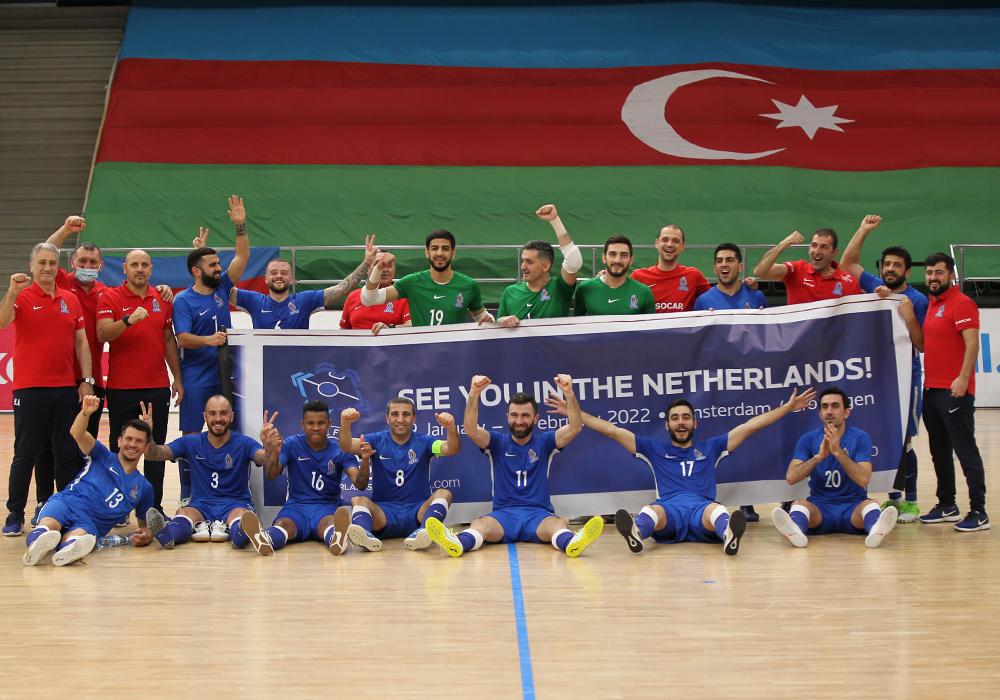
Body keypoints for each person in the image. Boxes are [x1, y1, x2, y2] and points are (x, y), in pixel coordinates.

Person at [551, 386, 814, 555]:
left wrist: (788, 407)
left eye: (686, 417)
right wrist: (574, 412)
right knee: (651, 511)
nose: (681, 422)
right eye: (675, 418)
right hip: (670, 510)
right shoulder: (654, 449)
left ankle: (729, 536)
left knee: (717, 511)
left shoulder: (711, 448)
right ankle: (636, 534)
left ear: (694, 423)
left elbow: (750, 427)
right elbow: (612, 430)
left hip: (701, 509)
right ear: (667, 425)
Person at [425, 374, 604, 558]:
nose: (519, 421)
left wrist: (569, 393)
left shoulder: (545, 442)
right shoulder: (496, 442)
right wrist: (474, 393)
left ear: (536, 418)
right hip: (503, 516)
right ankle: (458, 543)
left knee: (557, 524)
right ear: (507, 417)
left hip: (538, 515)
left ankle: (572, 543)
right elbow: (470, 430)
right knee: (480, 524)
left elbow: (575, 427)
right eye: (514, 415)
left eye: (525, 415)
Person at [1, 243, 94, 536]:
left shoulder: (70, 299)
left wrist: (86, 380)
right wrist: (11, 292)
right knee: (25, 454)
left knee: (66, 454)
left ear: (58, 267)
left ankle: (64, 511)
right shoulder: (22, 296)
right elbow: (2, 322)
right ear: (31, 266)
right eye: (42, 262)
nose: (47, 268)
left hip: (64, 388)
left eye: (52, 263)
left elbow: (81, 342)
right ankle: (15, 514)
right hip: (29, 389)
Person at [839, 215, 928, 522]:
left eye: (897, 265)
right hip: (876, 377)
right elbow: (848, 263)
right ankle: (894, 498)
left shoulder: (916, 299)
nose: (890, 269)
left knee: (904, 441)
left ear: (907, 271)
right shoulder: (875, 287)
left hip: (906, 378)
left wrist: (908, 315)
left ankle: (912, 501)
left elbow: (921, 345)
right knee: (884, 437)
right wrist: (863, 229)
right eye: (887, 264)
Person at [172, 195, 251, 502]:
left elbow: (242, 257)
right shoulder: (183, 300)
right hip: (196, 377)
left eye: (219, 263)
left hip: (224, 374)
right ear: (197, 270)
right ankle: (187, 494)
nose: (219, 268)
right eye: (213, 264)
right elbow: (182, 338)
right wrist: (209, 340)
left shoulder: (221, 288)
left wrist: (240, 225)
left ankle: (232, 492)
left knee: (230, 432)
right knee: (192, 436)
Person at [22, 395, 158, 566]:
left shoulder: (144, 488)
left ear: (146, 447)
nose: (132, 444)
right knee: (48, 524)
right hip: (67, 503)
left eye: (139, 441)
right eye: (129, 439)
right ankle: (37, 544)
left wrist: (146, 536)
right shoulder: (102, 454)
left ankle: (67, 550)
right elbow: (77, 433)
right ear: (119, 441)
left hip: (89, 523)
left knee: (77, 538)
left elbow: (144, 528)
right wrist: (85, 412)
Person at [96, 249, 182, 515]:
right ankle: (118, 508)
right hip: (121, 388)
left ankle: (152, 507)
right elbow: (102, 333)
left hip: (156, 387)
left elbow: (168, 340)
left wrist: (177, 378)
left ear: (151, 269)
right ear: (125, 268)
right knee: (119, 449)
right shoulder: (110, 297)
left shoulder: (162, 298)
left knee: (154, 449)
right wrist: (127, 320)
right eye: (134, 264)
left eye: (145, 264)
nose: (140, 269)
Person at [139, 395, 281, 553]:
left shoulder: (244, 443)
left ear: (232, 416)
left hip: (235, 504)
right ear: (204, 416)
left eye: (223, 413)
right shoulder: (190, 442)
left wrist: (269, 448)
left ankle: (242, 535)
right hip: (200, 505)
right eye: (212, 413)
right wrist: (147, 435)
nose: (218, 419)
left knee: (242, 516)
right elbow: (154, 454)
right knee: (184, 513)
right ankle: (166, 535)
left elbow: (263, 458)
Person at [771, 387, 900, 548]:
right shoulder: (808, 439)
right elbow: (791, 477)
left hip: (853, 506)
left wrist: (838, 452)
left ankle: (876, 530)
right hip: (820, 507)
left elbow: (863, 479)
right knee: (799, 504)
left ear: (846, 412)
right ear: (820, 413)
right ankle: (795, 531)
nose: (829, 411)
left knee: (871, 504)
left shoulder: (860, 437)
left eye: (835, 406)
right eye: (824, 407)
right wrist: (818, 457)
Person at [916, 253, 988, 531]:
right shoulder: (933, 304)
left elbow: (972, 344)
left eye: (939, 272)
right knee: (939, 451)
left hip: (955, 391)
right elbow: (925, 345)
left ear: (950, 275)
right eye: (929, 273)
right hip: (932, 389)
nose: (933, 277)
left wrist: (963, 378)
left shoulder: (961, 302)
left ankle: (979, 511)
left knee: (965, 451)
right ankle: (947, 504)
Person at [338, 397, 460, 551]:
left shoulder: (425, 441)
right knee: (358, 500)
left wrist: (451, 428)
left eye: (406, 414)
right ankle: (365, 535)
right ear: (387, 418)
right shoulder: (375, 440)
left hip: (417, 513)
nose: (401, 419)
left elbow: (451, 448)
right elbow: (347, 445)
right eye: (395, 414)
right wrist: (345, 423)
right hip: (383, 515)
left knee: (444, 493)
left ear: (414, 418)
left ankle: (424, 531)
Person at [255, 400, 373, 555]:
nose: (316, 428)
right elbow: (271, 474)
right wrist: (273, 452)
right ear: (302, 424)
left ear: (329, 424)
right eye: (310, 423)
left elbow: (360, 484)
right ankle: (266, 539)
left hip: (326, 507)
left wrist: (365, 461)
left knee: (329, 524)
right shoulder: (291, 444)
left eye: (321, 423)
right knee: (282, 525)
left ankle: (337, 538)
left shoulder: (340, 449)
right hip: (296, 507)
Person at [230, 236, 376, 329]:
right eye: (274, 273)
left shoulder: (304, 300)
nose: (279, 276)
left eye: (284, 273)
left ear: (292, 279)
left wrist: (366, 263)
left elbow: (341, 289)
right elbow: (224, 287)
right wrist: (240, 226)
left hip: (297, 367)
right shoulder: (254, 300)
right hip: (262, 367)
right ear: (266, 278)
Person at [359, 230, 494, 326]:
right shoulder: (411, 282)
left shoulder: (469, 285)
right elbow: (369, 299)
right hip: (421, 356)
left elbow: (485, 320)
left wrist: (496, 321)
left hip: (454, 355)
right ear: (427, 252)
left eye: (445, 248)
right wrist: (378, 268)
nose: (439, 253)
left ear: (453, 253)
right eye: (434, 248)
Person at [495, 204, 582, 327]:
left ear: (546, 266)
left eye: (529, 262)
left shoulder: (559, 287)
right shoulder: (510, 292)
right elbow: (498, 326)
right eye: (523, 261)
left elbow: (574, 261)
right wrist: (501, 321)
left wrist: (555, 220)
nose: (523, 267)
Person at [752, 226, 862, 304]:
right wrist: (783, 244)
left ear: (834, 253)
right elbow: (760, 271)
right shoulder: (797, 269)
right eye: (814, 245)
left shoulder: (848, 282)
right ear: (809, 248)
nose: (817, 251)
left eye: (823, 247)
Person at [630, 224, 711, 312]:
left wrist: (712, 309)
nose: (669, 244)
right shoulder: (638, 276)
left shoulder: (693, 275)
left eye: (676, 241)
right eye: (665, 240)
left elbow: (715, 297)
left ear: (683, 246)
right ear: (656, 243)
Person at [573, 235, 655, 316]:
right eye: (612, 254)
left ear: (631, 260)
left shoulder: (644, 292)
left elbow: (651, 324)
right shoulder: (584, 289)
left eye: (624, 255)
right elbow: (577, 323)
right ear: (604, 258)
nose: (617, 260)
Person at [339, 251, 411, 334]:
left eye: (389, 265)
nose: (384, 269)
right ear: (367, 270)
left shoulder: (402, 296)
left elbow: (411, 325)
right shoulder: (353, 296)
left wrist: (390, 328)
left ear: (394, 270)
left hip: (390, 341)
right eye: (378, 265)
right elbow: (344, 330)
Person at [693, 243, 767, 311]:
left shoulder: (757, 297)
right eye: (719, 261)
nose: (724, 264)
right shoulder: (703, 301)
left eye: (729, 260)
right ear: (715, 269)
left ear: (740, 267)